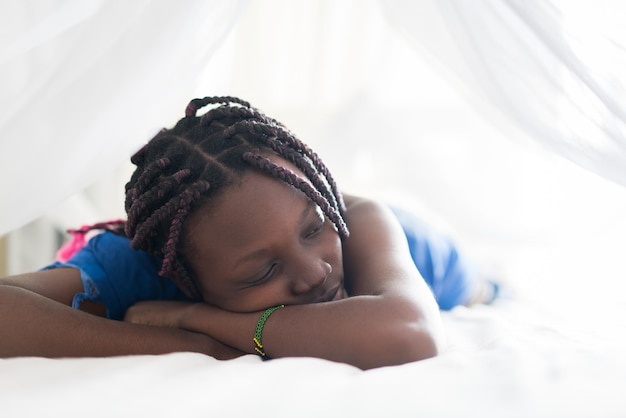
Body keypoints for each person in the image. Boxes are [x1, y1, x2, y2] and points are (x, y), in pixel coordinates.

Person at [0, 96, 496, 370]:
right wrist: (175, 345)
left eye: (312, 228)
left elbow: (409, 335)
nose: (317, 273)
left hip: (445, 266)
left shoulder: (356, 222)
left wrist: (200, 321)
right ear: (178, 274)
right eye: (264, 269)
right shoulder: (147, 261)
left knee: (483, 285)